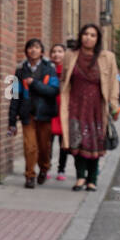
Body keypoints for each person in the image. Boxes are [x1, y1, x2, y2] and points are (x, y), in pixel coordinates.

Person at [59, 23, 120, 191]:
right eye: (86, 34)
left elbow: (114, 82)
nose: (88, 37)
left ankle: (92, 179)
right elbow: (64, 80)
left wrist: (114, 105)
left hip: (96, 106)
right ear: (80, 36)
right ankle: (80, 177)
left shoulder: (107, 57)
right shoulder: (70, 55)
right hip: (75, 104)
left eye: (93, 35)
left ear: (98, 39)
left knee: (94, 142)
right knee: (77, 141)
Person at [8, 38, 59, 188]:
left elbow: (53, 91)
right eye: (30, 47)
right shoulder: (20, 70)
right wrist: (11, 121)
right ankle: (30, 176)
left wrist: (34, 84)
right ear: (26, 51)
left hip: (45, 114)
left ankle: (44, 168)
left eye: (36, 47)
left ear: (42, 51)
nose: (33, 50)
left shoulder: (49, 69)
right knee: (30, 146)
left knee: (44, 147)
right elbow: (14, 96)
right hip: (27, 114)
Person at [49, 43, 70, 181]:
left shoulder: (69, 70)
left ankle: (61, 169)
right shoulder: (46, 69)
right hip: (50, 109)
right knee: (47, 143)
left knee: (64, 144)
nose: (57, 54)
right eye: (54, 51)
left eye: (60, 51)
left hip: (65, 111)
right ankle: (46, 167)